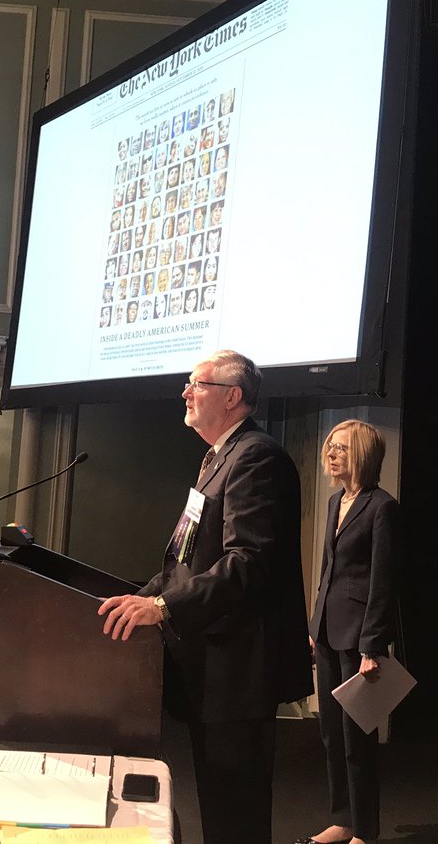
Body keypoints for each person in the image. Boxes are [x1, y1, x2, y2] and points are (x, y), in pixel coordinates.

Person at [98, 351, 312, 844]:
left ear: (232, 396)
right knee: (219, 807)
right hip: (212, 668)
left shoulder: (256, 457)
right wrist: (138, 597)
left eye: (197, 383)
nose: (185, 392)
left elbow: (247, 563)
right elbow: (184, 558)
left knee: (236, 814)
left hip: (237, 669)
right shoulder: (218, 458)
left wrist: (163, 608)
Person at [298, 420, 400, 844]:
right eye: (330, 446)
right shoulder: (335, 501)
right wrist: (314, 625)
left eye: (341, 447)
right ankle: (343, 820)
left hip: (359, 638)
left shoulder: (381, 507)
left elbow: (382, 580)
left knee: (356, 737)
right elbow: (328, 571)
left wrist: (372, 646)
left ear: (362, 454)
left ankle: (365, 831)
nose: (331, 454)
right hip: (327, 631)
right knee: (330, 734)